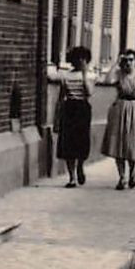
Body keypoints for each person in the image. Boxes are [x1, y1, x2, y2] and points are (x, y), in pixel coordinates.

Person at [101, 48, 135, 190]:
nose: (128, 63)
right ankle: (122, 177)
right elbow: (107, 80)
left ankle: (132, 171)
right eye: (126, 60)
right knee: (118, 145)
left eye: (131, 60)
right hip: (120, 109)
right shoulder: (118, 74)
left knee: (132, 144)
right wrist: (115, 64)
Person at [46, 46, 95, 187]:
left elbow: (89, 92)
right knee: (68, 144)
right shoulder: (67, 75)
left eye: (83, 59)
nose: (80, 61)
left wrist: (85, 75)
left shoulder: (91, 75)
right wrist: (56, 119)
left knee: (82, 142)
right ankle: (72, 177)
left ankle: (80, 165)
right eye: (78, 58)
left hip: (83, 109)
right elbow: (61, 98)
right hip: (69, 109)